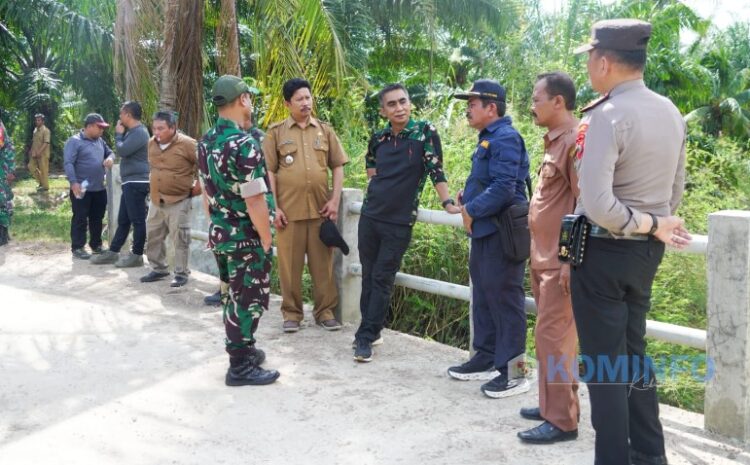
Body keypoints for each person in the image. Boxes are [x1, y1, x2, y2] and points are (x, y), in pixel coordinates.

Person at [571, 19, 691, 465]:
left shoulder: (607, 115)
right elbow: (675, 191)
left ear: (603, 61)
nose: (588, 66)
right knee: (634, 357)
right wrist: (654, 224)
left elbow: (598, 203)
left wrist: (640, 222)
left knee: (605, 370)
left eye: (589, 58)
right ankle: (648, 455)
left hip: (603, 251)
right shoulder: (670, 111)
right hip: (645, 254)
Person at [353, 83, 459, 362]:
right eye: (392, 104)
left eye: (403, 102)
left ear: (410, 103)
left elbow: (436, 169)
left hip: (399, 221)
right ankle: (372, 331)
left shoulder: (425, 132)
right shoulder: (379, 138)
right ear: (383, 110)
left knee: (382, 277)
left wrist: (447, 202)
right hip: (371, 216)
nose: (399, 108)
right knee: (367, 274)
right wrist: (379, 190)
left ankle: (364, 336)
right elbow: (371, 167)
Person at [447, 79, 531, 399]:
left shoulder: (506, 137)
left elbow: (504, 188)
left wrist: (470, 209)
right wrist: (467, 195)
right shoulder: (488, 138)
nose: (468, 108)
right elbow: (488, 182)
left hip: (500, 232)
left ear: (491, 107)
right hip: (484, 231)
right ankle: (485, 357)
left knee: (506, 300)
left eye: (473, 103)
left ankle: (514, 372)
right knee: (483, 294)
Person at [197, 74, 279, 386]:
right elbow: (255, 198)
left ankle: (244, 349)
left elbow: (206, 192)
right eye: (250, 98)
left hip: (222, 234)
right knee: (248, 299)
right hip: (247, 237)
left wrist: (217, 224)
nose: (252, 104)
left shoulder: (205, 142)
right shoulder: (245, 144)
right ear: (242, 100)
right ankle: (240, 366)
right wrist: (266, 238)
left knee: (233, 296)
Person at [517, 72, 580, 444]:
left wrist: (570, 259)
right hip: (542, 258)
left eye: (537, 97)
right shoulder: (554, 140)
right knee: (550, 338)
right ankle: (551, 405)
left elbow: (583, 206)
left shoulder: (574, 142)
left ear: (558, 101)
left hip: (559, 261)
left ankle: (562, 422)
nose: (532, 104)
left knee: (553, 337)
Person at [263, 78, 348, 333]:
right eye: (299, 99)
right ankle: (292, 314)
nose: (305, 103)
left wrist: (334, 200)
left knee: (323, 267)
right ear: (288, 103)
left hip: (321, 212)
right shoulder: (275, 133)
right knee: (289, 268)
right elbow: (269, 173)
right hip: (289, 214)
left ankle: (325, 312)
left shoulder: (325, 130)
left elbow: (338, 166)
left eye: (308, 97)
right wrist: (273, 208)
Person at [204, 116, 262, 305]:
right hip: (223, 209)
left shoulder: (258, 139)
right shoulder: (220, 140)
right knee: (221, 252)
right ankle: (225, 290)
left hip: (248, 209)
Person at [138, 110, 199, 287]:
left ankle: (181, 273)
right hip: (157, 199)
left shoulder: (187, 144)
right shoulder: (151, 143)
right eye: (154, 128)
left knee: (180, 238)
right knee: (153, 234)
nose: (156, 132)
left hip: (179, 199)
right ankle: (158, 269)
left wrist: (199, 186)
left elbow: (204, 164)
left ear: (173, 128)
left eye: (161, 128)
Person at [90, 101, 150, 268]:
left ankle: (137, 254)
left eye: (121, 114)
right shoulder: (133, 132)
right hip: (130, 181)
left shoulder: (139, 132)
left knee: (137, 220)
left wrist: (118, 134)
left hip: (137, 181)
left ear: (128, 115)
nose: (119, 117)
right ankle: (114, 251)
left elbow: (122, 151)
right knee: (123, 219)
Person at [63, 113, 115, 260]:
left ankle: (96, 245)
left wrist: (110, 158)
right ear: (90, 126)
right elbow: (68, 163)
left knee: (97, 218)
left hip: (98, 187)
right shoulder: (74, 141)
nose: (102, 131)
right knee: (80, 217)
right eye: (100, 127)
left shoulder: (100, 141)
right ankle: (78, 247)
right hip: (81, 187)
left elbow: (110, 153)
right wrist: (73, 183)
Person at [0, 115, 16, 246]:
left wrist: (9, 171)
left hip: (2, 170)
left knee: (2, 201)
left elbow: (4, 148)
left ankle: (2, 236)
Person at [28, 113, 51, 191]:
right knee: (31, 166)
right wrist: (31, 151)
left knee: (44, 171)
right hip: (34, 153)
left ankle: (45, 187)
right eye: (36, 120)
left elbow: (46, 143)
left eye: (39, 120)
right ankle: (41, 182)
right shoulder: (35, 130)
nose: (37, 121)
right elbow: (34, 142)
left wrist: (39, 152)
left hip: (43, 154)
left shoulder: (46, 130)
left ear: (43, 121)